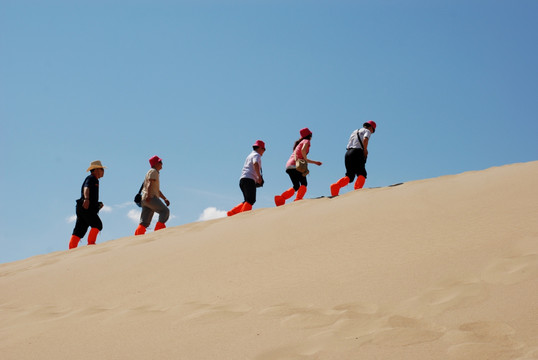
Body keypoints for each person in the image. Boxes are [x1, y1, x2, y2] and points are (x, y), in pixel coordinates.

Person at [274, 127, 322, 206]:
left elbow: (301, 157)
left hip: (289, 166)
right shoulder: (307, 141)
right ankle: (298, 199)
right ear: (309, 135)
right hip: (295, 166)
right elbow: (303, 151)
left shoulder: (299, 144)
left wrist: (315, 162)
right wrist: (306, 161)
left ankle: (281, 198)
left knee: (296, 186)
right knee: (304, 183)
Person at [330, 120, 377, 196]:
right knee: (362, 173)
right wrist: (365, 150)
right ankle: (358, 190)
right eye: (373, 130)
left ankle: (335, 186)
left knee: (350, 176)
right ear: (371, 127)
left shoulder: (355, 131)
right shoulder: (367, 131)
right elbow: (365, 140)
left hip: (348, 153)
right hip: (357, 152)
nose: (372, 132)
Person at [69, 160, 106, 249]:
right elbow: (86, 187)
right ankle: (91, 244)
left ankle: (71, 249)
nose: (103, 171)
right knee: (97, 224)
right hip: (85, 207)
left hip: (82, 208)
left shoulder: (95, 180)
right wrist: (86, 199)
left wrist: (97, 205)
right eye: (102, 169)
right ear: (96, 170)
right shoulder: (91, 178)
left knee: (79, 230)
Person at [227, 140, 266, 216]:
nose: (264, 151)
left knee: (247, 200)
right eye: (264, 149)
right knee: (251, 200)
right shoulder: (256, 155)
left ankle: (232, 212)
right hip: (249, 179)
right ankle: (243, 217)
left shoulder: (250, 155)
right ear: (260, 148)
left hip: (243, 180)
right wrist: (259, 177)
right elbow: (255, 164)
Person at [134, 155, 171, 235]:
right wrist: (148, 196)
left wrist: (164, 198)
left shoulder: (152, 172)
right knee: (165, 211)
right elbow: (149, 184)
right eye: (160, 162)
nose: (162, 163)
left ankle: (137, 237)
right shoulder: (153, 171)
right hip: (150, 197)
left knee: (144, 222)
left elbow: (156, 190)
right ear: (155, 163)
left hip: (145, 199)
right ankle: (159, 232)